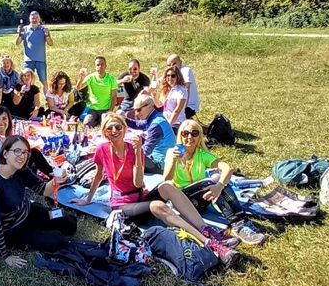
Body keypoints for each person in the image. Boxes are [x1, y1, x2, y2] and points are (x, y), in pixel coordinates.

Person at [69, 112, 237, 266]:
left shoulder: (134, 149)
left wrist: (137, 153)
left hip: (140, 196)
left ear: (124, 128)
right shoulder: (102, 149)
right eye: (109, 128)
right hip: (122, 205)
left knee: (167, 186)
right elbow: (98, 175)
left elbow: (138, 182)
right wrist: (87, 199)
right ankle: (210, 244)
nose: (114, 131)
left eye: (118, 127)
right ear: (104, 132)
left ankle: (206, 229)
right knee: (158, 206)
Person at [163, 120, 267, 245]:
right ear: (180, 135)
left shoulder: (201, 155)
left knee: (221, 182)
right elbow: (166, 181)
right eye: (185, 133)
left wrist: (219, 186)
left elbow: (228, 168)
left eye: (194, 133)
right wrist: (173, 161)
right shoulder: (172, 153)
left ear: (199, 136)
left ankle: (239, 222)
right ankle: (238, 224)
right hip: (181, 202)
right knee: (210, 183)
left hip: (199, 199)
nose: (189, 137)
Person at [0, 135, 75, 268]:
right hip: (14, 230)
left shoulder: (20, 170)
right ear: (5, 153)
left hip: (29, 212)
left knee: (68, 221)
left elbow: (43, 190)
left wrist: (56, 181)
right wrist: (4, 255)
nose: (22, 156)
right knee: (57, 240)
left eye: (25, 152)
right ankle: (40, 232)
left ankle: (43, 226)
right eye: (17, 151)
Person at [0, 105, 52, 176]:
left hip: (11, 169)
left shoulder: (9, 136)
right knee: (27, 166)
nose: (1, 122)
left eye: (4, 119)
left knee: (33, 153)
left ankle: (52, 175)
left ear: (9, 121)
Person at [126, 94, 176, 173]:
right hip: (158, 160)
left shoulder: (156, 124)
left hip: (159, 164)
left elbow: (146, 150)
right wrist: (122, 119)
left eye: (138, 110)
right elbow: (138, 124)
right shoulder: (155, 117)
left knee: (128, 157)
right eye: (134, 110)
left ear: (150, 106)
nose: (136, 114)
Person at [74, 56, 117, 126]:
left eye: (102, 64)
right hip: (92, 109)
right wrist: (81, 78)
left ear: (105, 66)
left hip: (106, 109)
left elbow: (114, 96)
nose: (100, 67)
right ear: (95, 67)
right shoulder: (91, 77)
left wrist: (110, 111)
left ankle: (100, 120)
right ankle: (96, 120)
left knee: (107, 125)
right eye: (98, 65)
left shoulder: (111, 78)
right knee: (86, 124)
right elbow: (78, 88)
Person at [15, 10, 53, 85]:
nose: (34, 20)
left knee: (43, 81)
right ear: (30, 19)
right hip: (28, 60)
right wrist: (19, 34)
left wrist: (47, 35)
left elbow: (50, 43)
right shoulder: (24, 29)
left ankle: (46, 93)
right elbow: (17, 43)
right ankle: (27, 92)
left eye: (36, 18)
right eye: (33, 18)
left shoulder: (44, 29)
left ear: (39, 19)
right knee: (26, 81)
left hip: (41, 60)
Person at [167, 53, 199, 119]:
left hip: (188, 106)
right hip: (176, 104)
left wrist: (182, 110)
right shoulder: (172, 72)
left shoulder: (185, 70)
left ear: (180, 62)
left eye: (174, 63)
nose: (171, 66)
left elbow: (186, 89)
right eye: (169, 65)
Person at [156, 64, 188, 130]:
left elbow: (177, 111)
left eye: (173, 76)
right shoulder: (167, 89)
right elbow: (159, 104)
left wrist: (168, 126)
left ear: (178, 77)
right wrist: (152, 94)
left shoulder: (181, 90)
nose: (170, 78)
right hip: (166, 121)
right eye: (168, 75)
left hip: (176, 124)